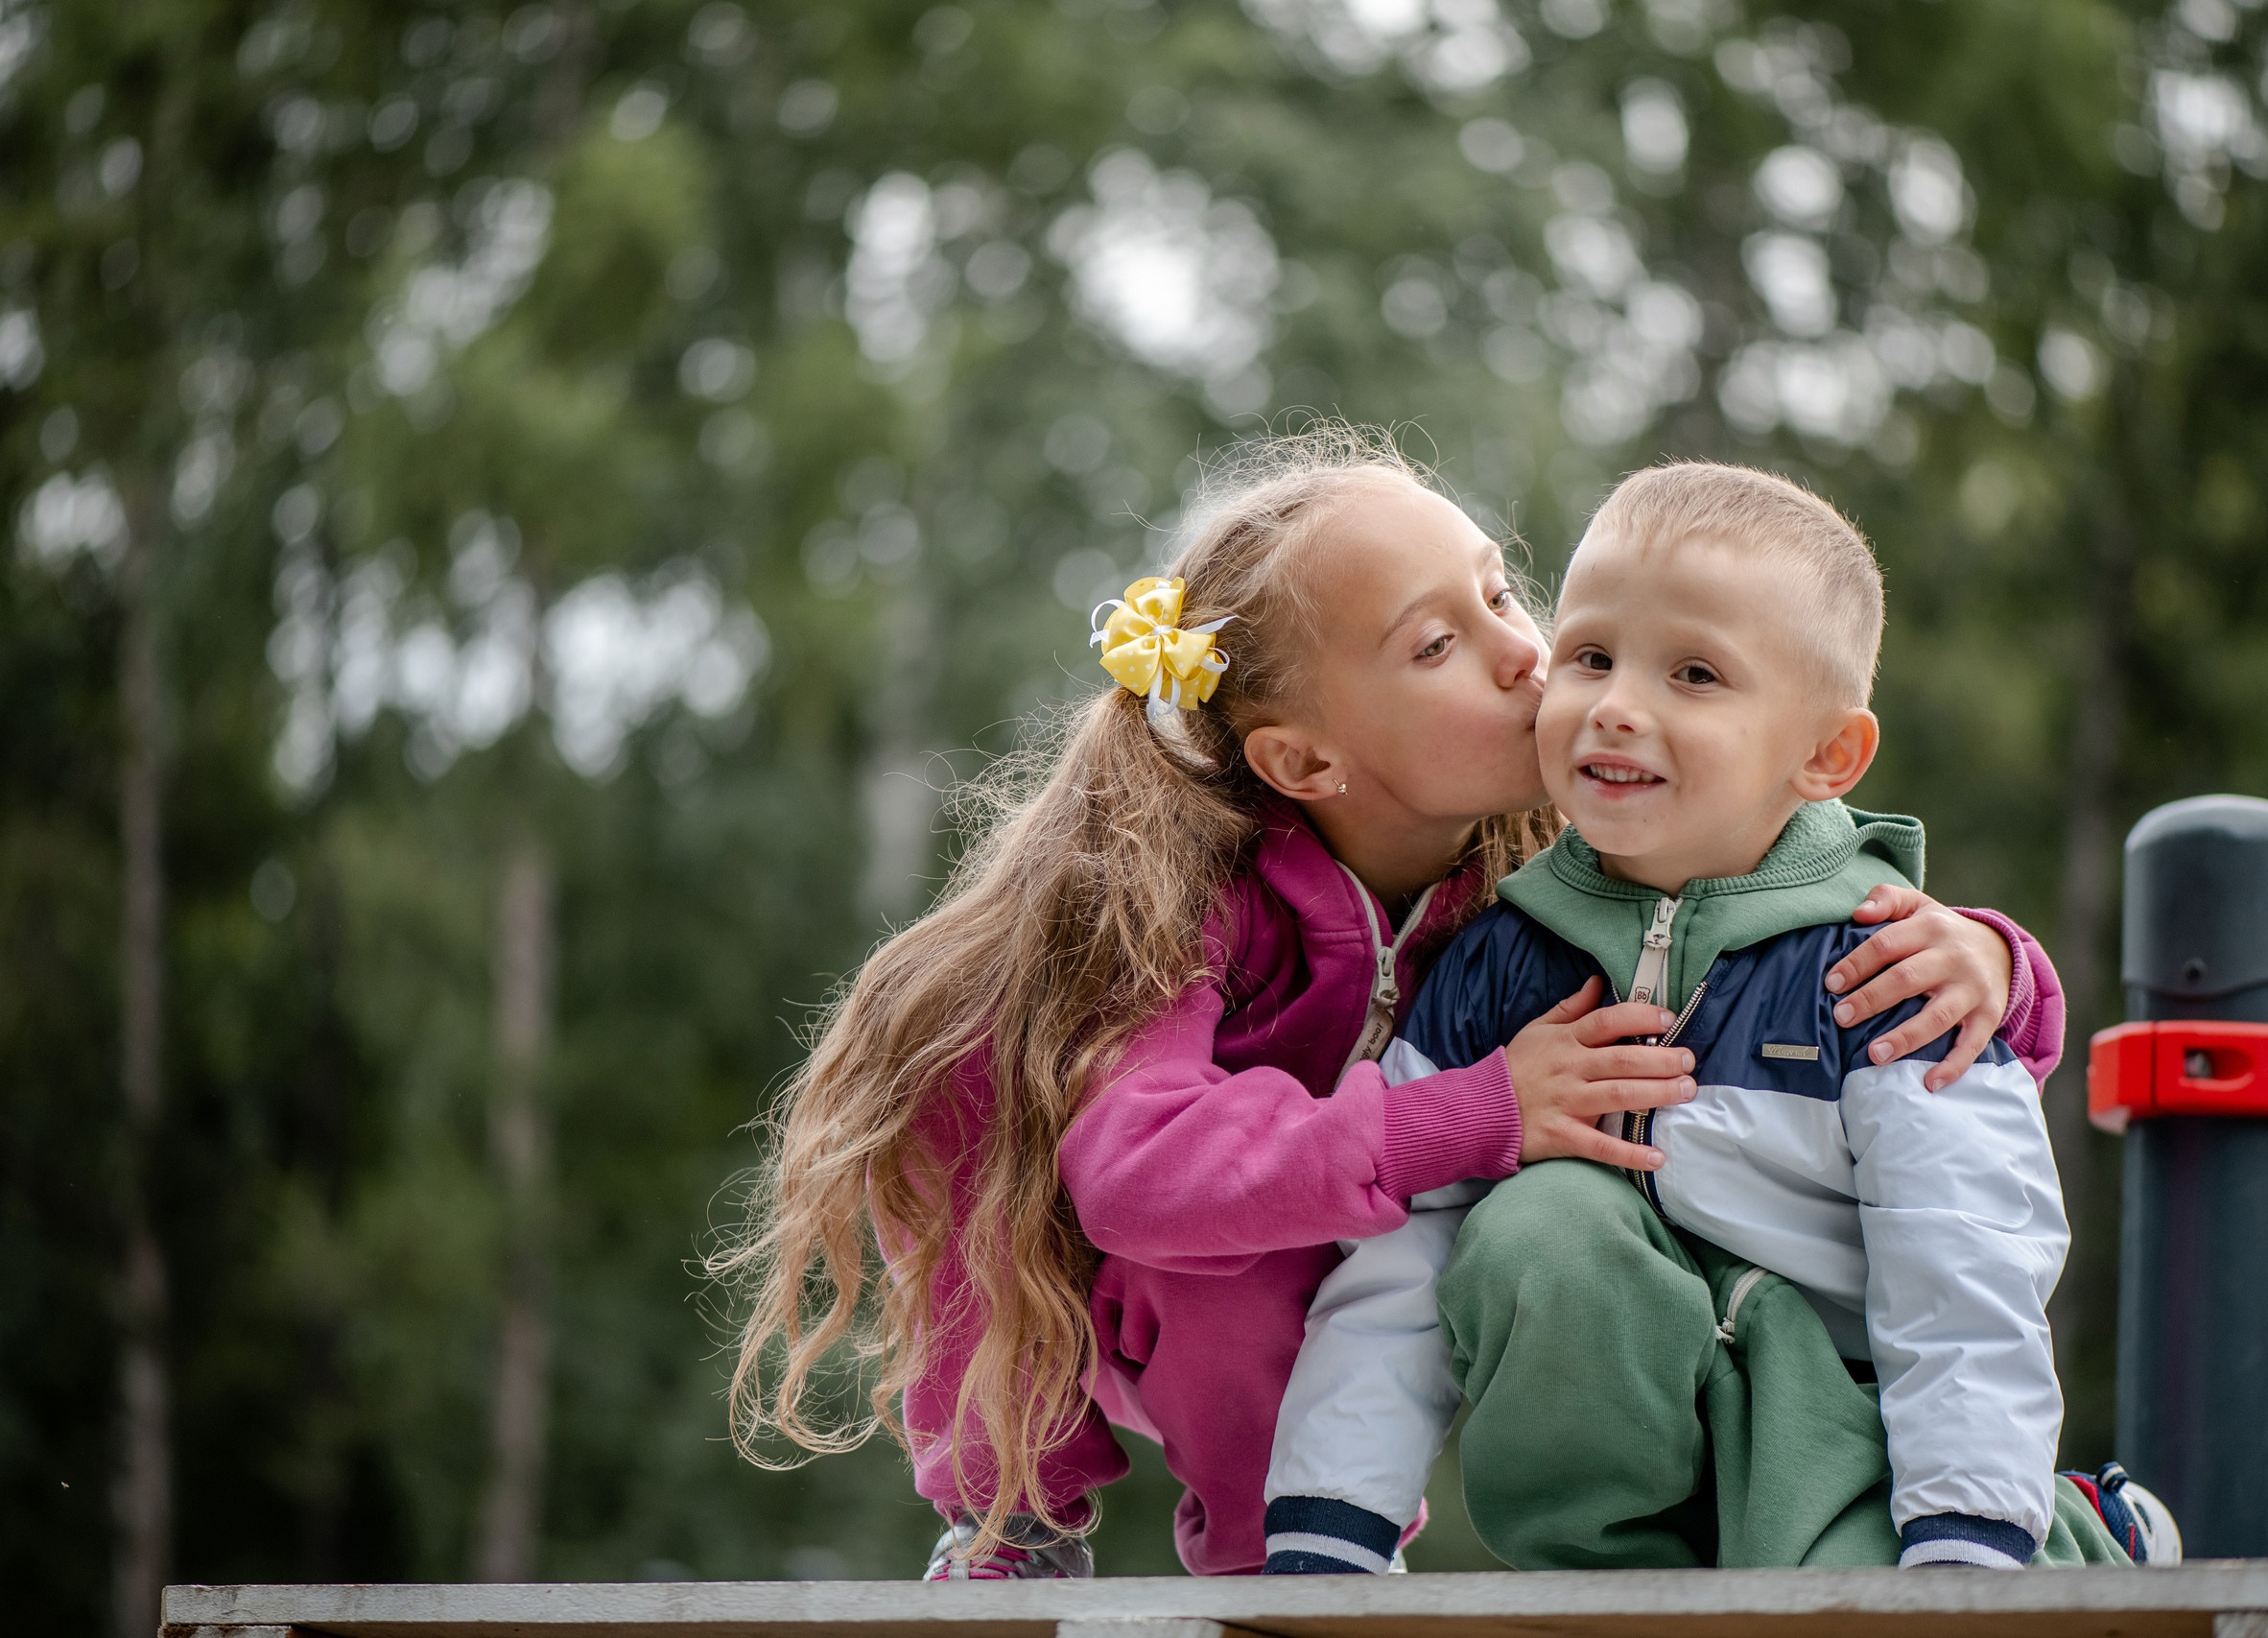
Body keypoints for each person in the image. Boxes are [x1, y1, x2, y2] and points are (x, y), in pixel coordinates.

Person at [720, 430, 2067, 1579]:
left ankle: (1339, 1555)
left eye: (1501, 594)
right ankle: (1027, 1520)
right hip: (1067, 1237)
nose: (1527, 658)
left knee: (1410, 1249)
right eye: (1440, 640)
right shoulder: (1187, 906)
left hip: (1322, 1214)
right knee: (1226, 1261)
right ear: (1304, 756)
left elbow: (1763, 889)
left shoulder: (1537, 869)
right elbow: (1136, 1175)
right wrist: (1471, 1112)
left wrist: (1998, 965)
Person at [1261, 461, 2181, 1577]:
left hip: (1845, 1432)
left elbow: (1963, 1266)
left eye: (1694, 674)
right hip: (1627, 1433)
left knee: (1845, 1588)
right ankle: (1609, 1575)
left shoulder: (1889, 964)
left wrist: (1965, 1542)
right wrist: (1330, 1526)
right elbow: (1400, 1258)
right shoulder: (1499, 963)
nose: (1615, 704)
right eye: (1590, 655)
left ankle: (2079, 1531)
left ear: (1825, 755)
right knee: (1537, 1226)